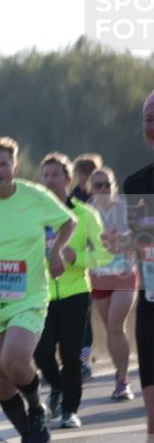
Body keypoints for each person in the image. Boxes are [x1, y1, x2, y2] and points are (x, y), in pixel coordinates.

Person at [0, 138, 76, 443]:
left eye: (4, 164)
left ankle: (37, 408)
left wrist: (56, 251)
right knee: (1, 377)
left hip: (27, 295)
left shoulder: (35, 196)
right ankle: (28, 437)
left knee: (13, 361)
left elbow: (68, 222)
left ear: (15, 167)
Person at [107, 88, 154, 443]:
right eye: (147, 117)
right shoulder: (138, 180)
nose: (152, 123)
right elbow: (136, 250)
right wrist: (120, 241)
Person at [33, 152, 112, 428]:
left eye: (56, 175)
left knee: (70, 353)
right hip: (41, 294)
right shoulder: (34, 215)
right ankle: (56, 386)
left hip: (76, 293)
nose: (50, 180)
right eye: (46, 175)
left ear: (68, 180)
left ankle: (69, 411)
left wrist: (76, 258)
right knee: (41, 352)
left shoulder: (85, 215)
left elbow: (104, 256)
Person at [87, 167, 138, 400]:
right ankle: (120, 373)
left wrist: (126, 241)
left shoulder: (127, 209)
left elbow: (142, 235)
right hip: (99, 276)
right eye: (98, 185)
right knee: (112, 329)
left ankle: (123, 380)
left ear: (114, 186)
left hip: (125, 274)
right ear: (90, 188)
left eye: (107, 184)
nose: (103, 189)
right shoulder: (86, 212)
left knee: (116, 325)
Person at [72, 154, 105, 381]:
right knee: (81, 316)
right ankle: (78, 361)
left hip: (104, 261)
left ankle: (84, 359)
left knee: (89, 317)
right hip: (78, 263)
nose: (86, 180)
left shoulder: (105, 194)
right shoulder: (72, 198)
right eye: (82, 175)